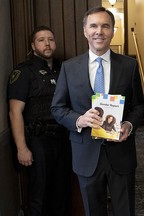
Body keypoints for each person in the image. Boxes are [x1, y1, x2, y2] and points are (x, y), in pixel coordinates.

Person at [51, 6, 144, 216]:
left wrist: (129, 124)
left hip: (121, 154)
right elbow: (57, 108)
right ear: (85, 30)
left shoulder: (129, 65)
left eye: (105, 26)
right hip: (86, 154)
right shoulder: (69, 67)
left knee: (125, 211)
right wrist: (79, 120)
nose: (99, 31)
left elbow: (139, 106)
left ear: (113, 30)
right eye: (93, 26)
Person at [7, 26, 71, 216]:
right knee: (38, 195)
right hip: (38, 142)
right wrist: (21, 148)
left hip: (63, 139)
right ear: (33, 46)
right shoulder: (23, 72)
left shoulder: (63, 70)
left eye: (50, 39)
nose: (47, 43)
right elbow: (14, 112)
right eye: (41, 40)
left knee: (61, 192)